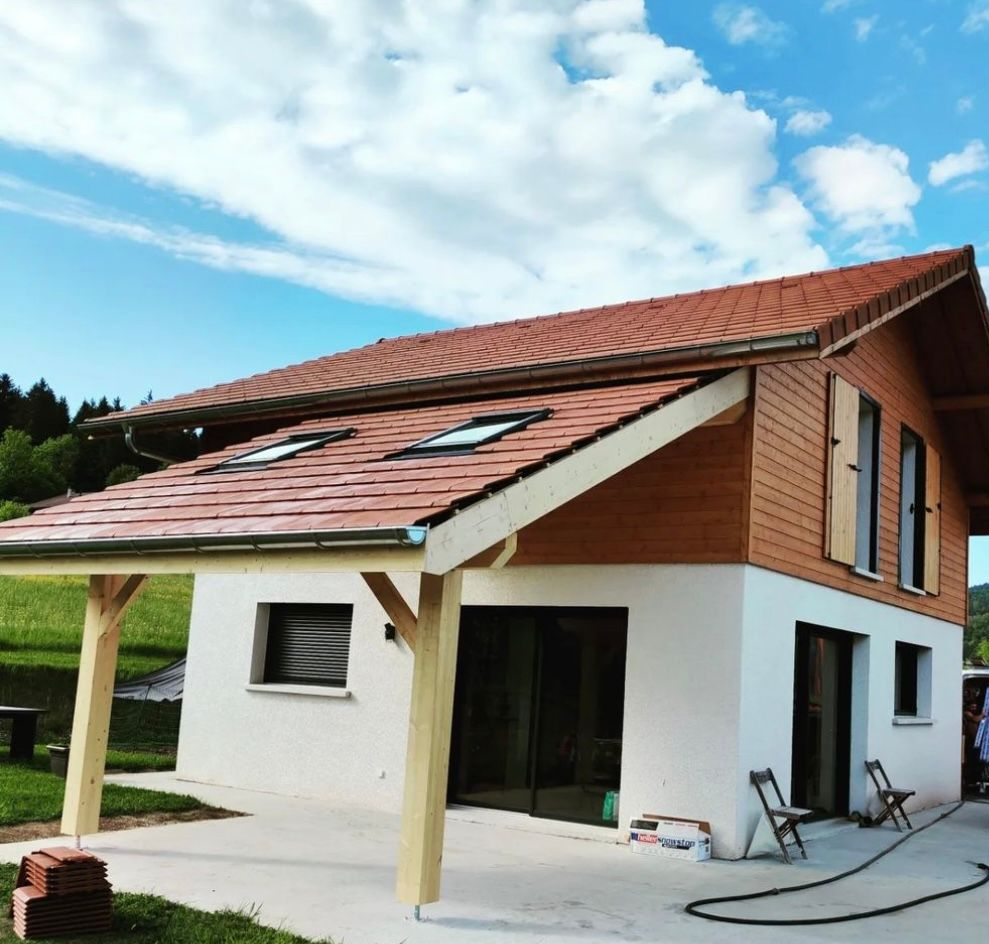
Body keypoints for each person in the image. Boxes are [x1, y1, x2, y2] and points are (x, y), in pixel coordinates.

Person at [963, 687, 986, 790]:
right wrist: (983, 715)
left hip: (976, 741)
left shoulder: (975, 713)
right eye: (972, 706)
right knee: (971, 761)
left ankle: (976, 780)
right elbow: (975, 719)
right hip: (970, 741)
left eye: (975, 706)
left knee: (977, 761)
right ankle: (969, 781)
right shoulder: (967, 713)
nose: (974, 708)